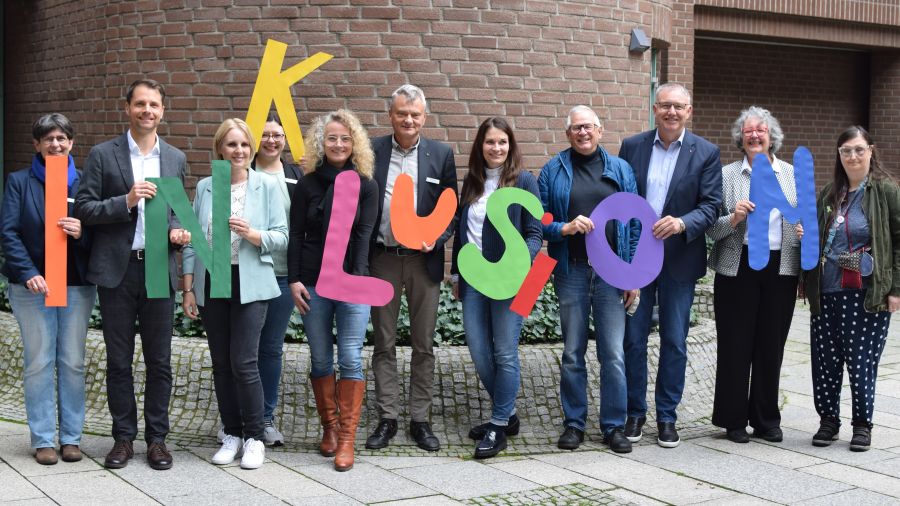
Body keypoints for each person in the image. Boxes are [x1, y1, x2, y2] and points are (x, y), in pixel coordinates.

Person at [74, 79, 191, 470]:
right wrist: (124, 201)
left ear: (162, 110)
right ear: (127, 108)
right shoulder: (102, 155)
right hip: (117, 271)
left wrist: (178, 232)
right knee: (118, 361)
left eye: (154, 105)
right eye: (140, 104)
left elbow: (178, 211)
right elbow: (86, 210)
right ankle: (123, 438)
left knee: (160, 361)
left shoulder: (173, 158)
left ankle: (157, 440)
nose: (147, 111)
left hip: (158, 266)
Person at [618, 83, 722, 448]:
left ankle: (666, 416)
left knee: (675, 340)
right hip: (637, 258)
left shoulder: (706, 153)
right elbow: (622, 199)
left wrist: (682, 222)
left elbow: (712, 206)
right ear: (654, 108)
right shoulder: (631, 146)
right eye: (665, 106)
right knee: (633, 338)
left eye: (678, 106)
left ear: (688, 111)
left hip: (679, 258)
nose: (671, 112)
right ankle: (634, 411)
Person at [181, 118, 288, 469]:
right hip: (214, 280)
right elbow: (195, 242)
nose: (238, 151)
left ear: (252, 149)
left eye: (244, 144)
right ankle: (232, 434)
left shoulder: (267, 185)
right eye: (231, 145)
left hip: (251, 280)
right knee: (222, 364)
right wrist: (189, 288)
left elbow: (282, 237)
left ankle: (255, 437)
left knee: (244, 361)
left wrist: (254, 234)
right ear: (219, 149)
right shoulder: (208, 186)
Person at [538, 106, 640, 453]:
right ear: (568, 134)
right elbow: (539, 221)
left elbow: (635, 223)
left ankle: (613, 426)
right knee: (572, 351)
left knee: (613, 352)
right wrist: (563, 228)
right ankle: (574, 423)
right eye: (576, 128)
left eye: (588, 127)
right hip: (573, 270)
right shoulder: (553, 170)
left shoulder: (621, 170)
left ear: (600, 131)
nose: (583, 133)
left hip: (612, 273)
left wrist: (632, 275)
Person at [365, 84, 458, 452]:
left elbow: (451, 207)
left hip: (424, 262)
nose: (408, 120)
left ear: (424, 117)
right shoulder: (372, 151)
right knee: (384, 343)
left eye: (415, 114)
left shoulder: (440, 154)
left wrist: (440, 237)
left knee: (423, 345)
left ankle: (420, 420)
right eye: (402, 113)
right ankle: (387, 418)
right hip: (382, 258)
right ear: (391, 115)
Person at [0, 114, 95, 465]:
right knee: (39, 362)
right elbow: (8, 232)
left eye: (62, 138)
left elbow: (101, 233)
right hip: (32, 288)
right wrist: (28, 273)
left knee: (72, 361)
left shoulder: (85, 184)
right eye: (48, 139)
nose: (56, 144)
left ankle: (71, 438)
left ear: (72, 142)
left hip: (76, 285)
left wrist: (82, 233)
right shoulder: (19, 182)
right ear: (37, 145)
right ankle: (42, 439)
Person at [287, 109, 379, 471]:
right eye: (332, 138)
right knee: (322, 356)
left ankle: (346, 439)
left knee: (351, 357)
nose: (339, 144)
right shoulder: (307, 184)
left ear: (354, 142)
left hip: (351, 282)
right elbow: (296, 234)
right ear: (321, 143)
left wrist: (355, 282)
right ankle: (328, 429)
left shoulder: (366, 185)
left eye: (345, 138)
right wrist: (294, 279)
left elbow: (364, 236)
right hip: (312, 282)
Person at [706, 106, 800, 444]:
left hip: (780, 268)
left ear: (771, 136)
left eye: (761, 130)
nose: (755, 135)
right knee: (735, 344)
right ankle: (732, 419)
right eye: (749, 132)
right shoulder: (725, 175)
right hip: (738, 266)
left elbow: (805, 222)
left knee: (770, 345)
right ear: (741, 138)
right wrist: (733, 218)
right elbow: (710, 230)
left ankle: (766, 419)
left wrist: (804, 234)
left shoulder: (790, 174)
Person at [450, 117, 542, 459]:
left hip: (511, 281)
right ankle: (508, 414)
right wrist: (457, 275)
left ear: (511, 145)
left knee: (505, 352)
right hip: (474, 280)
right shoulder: (472, 182)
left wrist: (519, 265)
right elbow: (462, 232)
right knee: (478, 350)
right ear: (481, 146)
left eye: (502, 142)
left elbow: (535, 234)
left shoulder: (525, 181)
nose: (496, 148)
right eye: (490, 142)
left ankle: (499, 423)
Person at [804, 125, 900, 452]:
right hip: (828, 291)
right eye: (846, 151)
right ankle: (828, 421)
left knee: (861, 361)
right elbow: (816, 240)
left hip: (867, 293)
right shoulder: (830, 194)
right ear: (839, 155)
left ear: (871, 150)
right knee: (826, 361)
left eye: (859, 149)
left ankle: (862, 424)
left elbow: (898, 242)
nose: (853, 156)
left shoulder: (886, 191)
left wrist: (896, 289)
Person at [251, 112, 303, 446]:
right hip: (249, 271)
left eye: (278, 135)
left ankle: (265, 418)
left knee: (270, 349)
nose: (272, 140)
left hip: (283, 274)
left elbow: (301, 228)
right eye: (266, 134)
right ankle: (239, 417)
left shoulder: (295, 175)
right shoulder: (242, 172)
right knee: (242, 349)